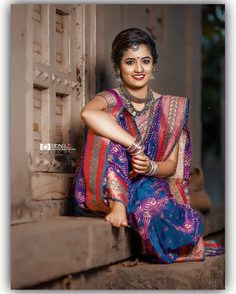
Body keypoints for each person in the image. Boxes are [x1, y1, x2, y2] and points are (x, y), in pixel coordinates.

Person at [74, 28, 223, 263]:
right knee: (105, 130)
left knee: (167, 217)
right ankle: (118, 205)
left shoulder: (169, 108)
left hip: (147, 184)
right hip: (105, 182)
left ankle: (138, 213)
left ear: (153, 65)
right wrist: (133, 145)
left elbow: (170, 166)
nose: (139, 68)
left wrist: (150, 167)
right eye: (130, 62)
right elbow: (88, 113)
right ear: (118, 67)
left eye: (145, 61)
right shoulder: (111, 98)